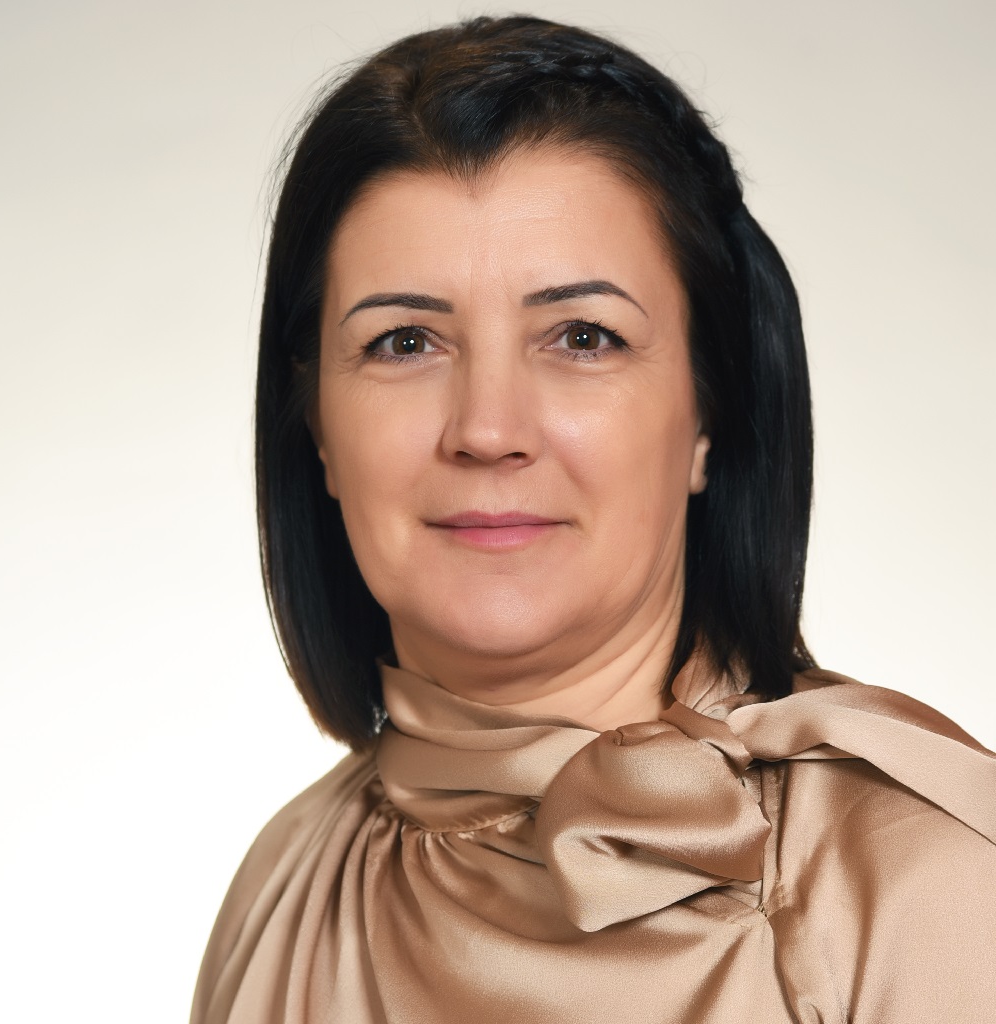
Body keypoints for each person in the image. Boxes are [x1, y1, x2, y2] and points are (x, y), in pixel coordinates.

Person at [191, 15, 996, 1024]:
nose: (487, 429)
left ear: (708, 412)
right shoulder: (283, 885)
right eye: (404, 341)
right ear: (314, 424)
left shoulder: (926, 888)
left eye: (582, 336)